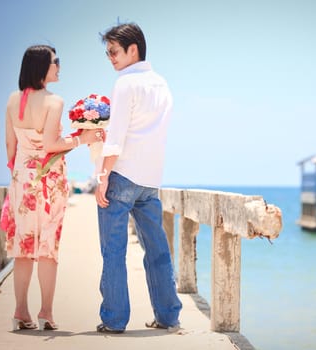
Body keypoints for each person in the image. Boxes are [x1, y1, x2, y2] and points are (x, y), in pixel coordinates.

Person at [4, 44, 104, 331]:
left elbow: (10, 147)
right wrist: (81, 140)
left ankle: (20, 311)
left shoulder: (13, 100)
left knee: (23, 246)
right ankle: (46, 312)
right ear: (41, 67)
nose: (59, 66)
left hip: (22, 178)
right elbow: (50, 145)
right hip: (49, 182)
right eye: (55, 61)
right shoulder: (54, 101)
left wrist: (22, 172)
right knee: (48, 247)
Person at [94, 22, 182, 334]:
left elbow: (116, 137)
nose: (111, 58)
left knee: (113, 252)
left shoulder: (125, 84)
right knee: (157, 250)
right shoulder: (163, 84)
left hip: (122, 175)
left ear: (134, 49)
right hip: (150, 179)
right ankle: (169, 315)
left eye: (114, 52)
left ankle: (115, 320)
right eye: (107, 53)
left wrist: (102, 176)